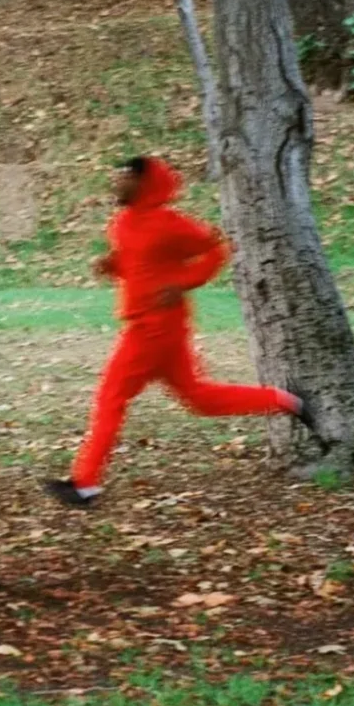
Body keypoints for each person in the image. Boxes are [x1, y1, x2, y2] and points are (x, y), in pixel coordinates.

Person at [45, 156, 316, 507]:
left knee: (111, 396)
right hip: (155, 326)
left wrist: (185, 281)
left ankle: (84, 483)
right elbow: (142, 265)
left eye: (125, 177)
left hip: (154, 328)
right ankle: (285, 401)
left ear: (143, 183)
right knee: (200, 398)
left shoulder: (170, 224)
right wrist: (113, 266)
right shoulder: (122, 223)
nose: (117, 183)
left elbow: (216, 249)